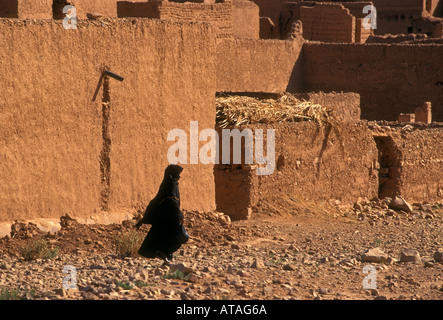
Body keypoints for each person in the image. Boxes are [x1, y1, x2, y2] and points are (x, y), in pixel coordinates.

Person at [135, 164, 188, 265]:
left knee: (166, 236)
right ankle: (164, 254)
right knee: (175, 237)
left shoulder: (170, 183)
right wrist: (179, 216)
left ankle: (166, 255)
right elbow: (172, 201)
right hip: (169, 217)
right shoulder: (171, 184)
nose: (179, 176)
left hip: (166, 217)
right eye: (178, 173)